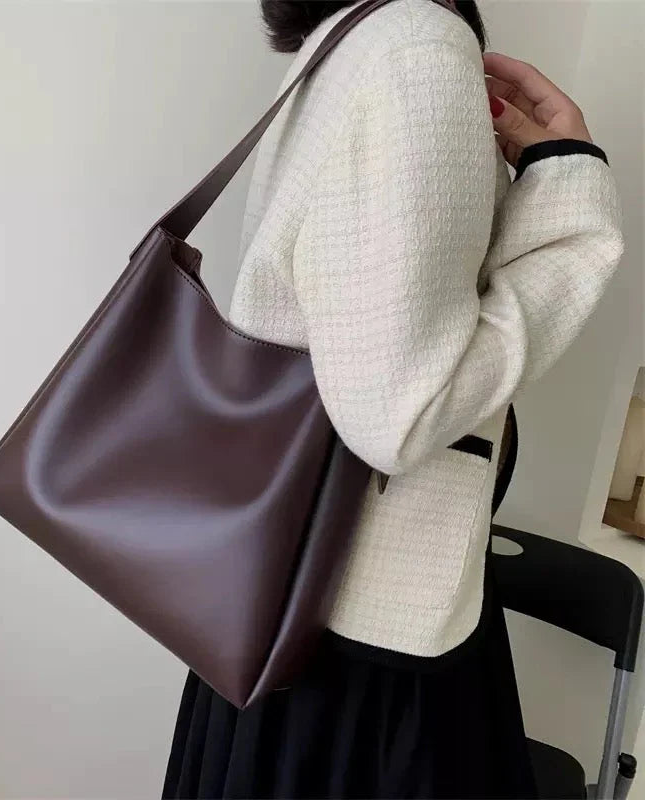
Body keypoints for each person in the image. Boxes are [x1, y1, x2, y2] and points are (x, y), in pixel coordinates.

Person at [162, 0, 624, 797]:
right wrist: (571, 205)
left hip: (293, 602)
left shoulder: (351, 37)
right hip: (370, 639)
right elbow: (401, 416)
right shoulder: (416, 44)